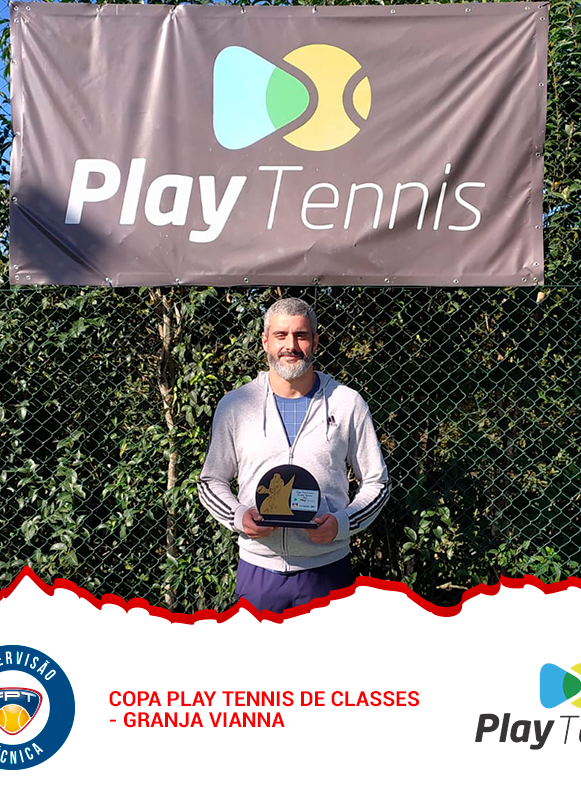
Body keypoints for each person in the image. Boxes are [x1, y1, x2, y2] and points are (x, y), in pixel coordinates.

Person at [198, 297, 390, 613]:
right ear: (265, 341)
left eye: (301, 335)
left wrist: (342, 523)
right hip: (258, 570)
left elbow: (377, 483)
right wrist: (238, 516)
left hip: (327, 569)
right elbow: (210, 481)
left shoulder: (346, 403)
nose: (291, 345)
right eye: (281, 335)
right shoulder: (235, 406)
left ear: (315, 341)